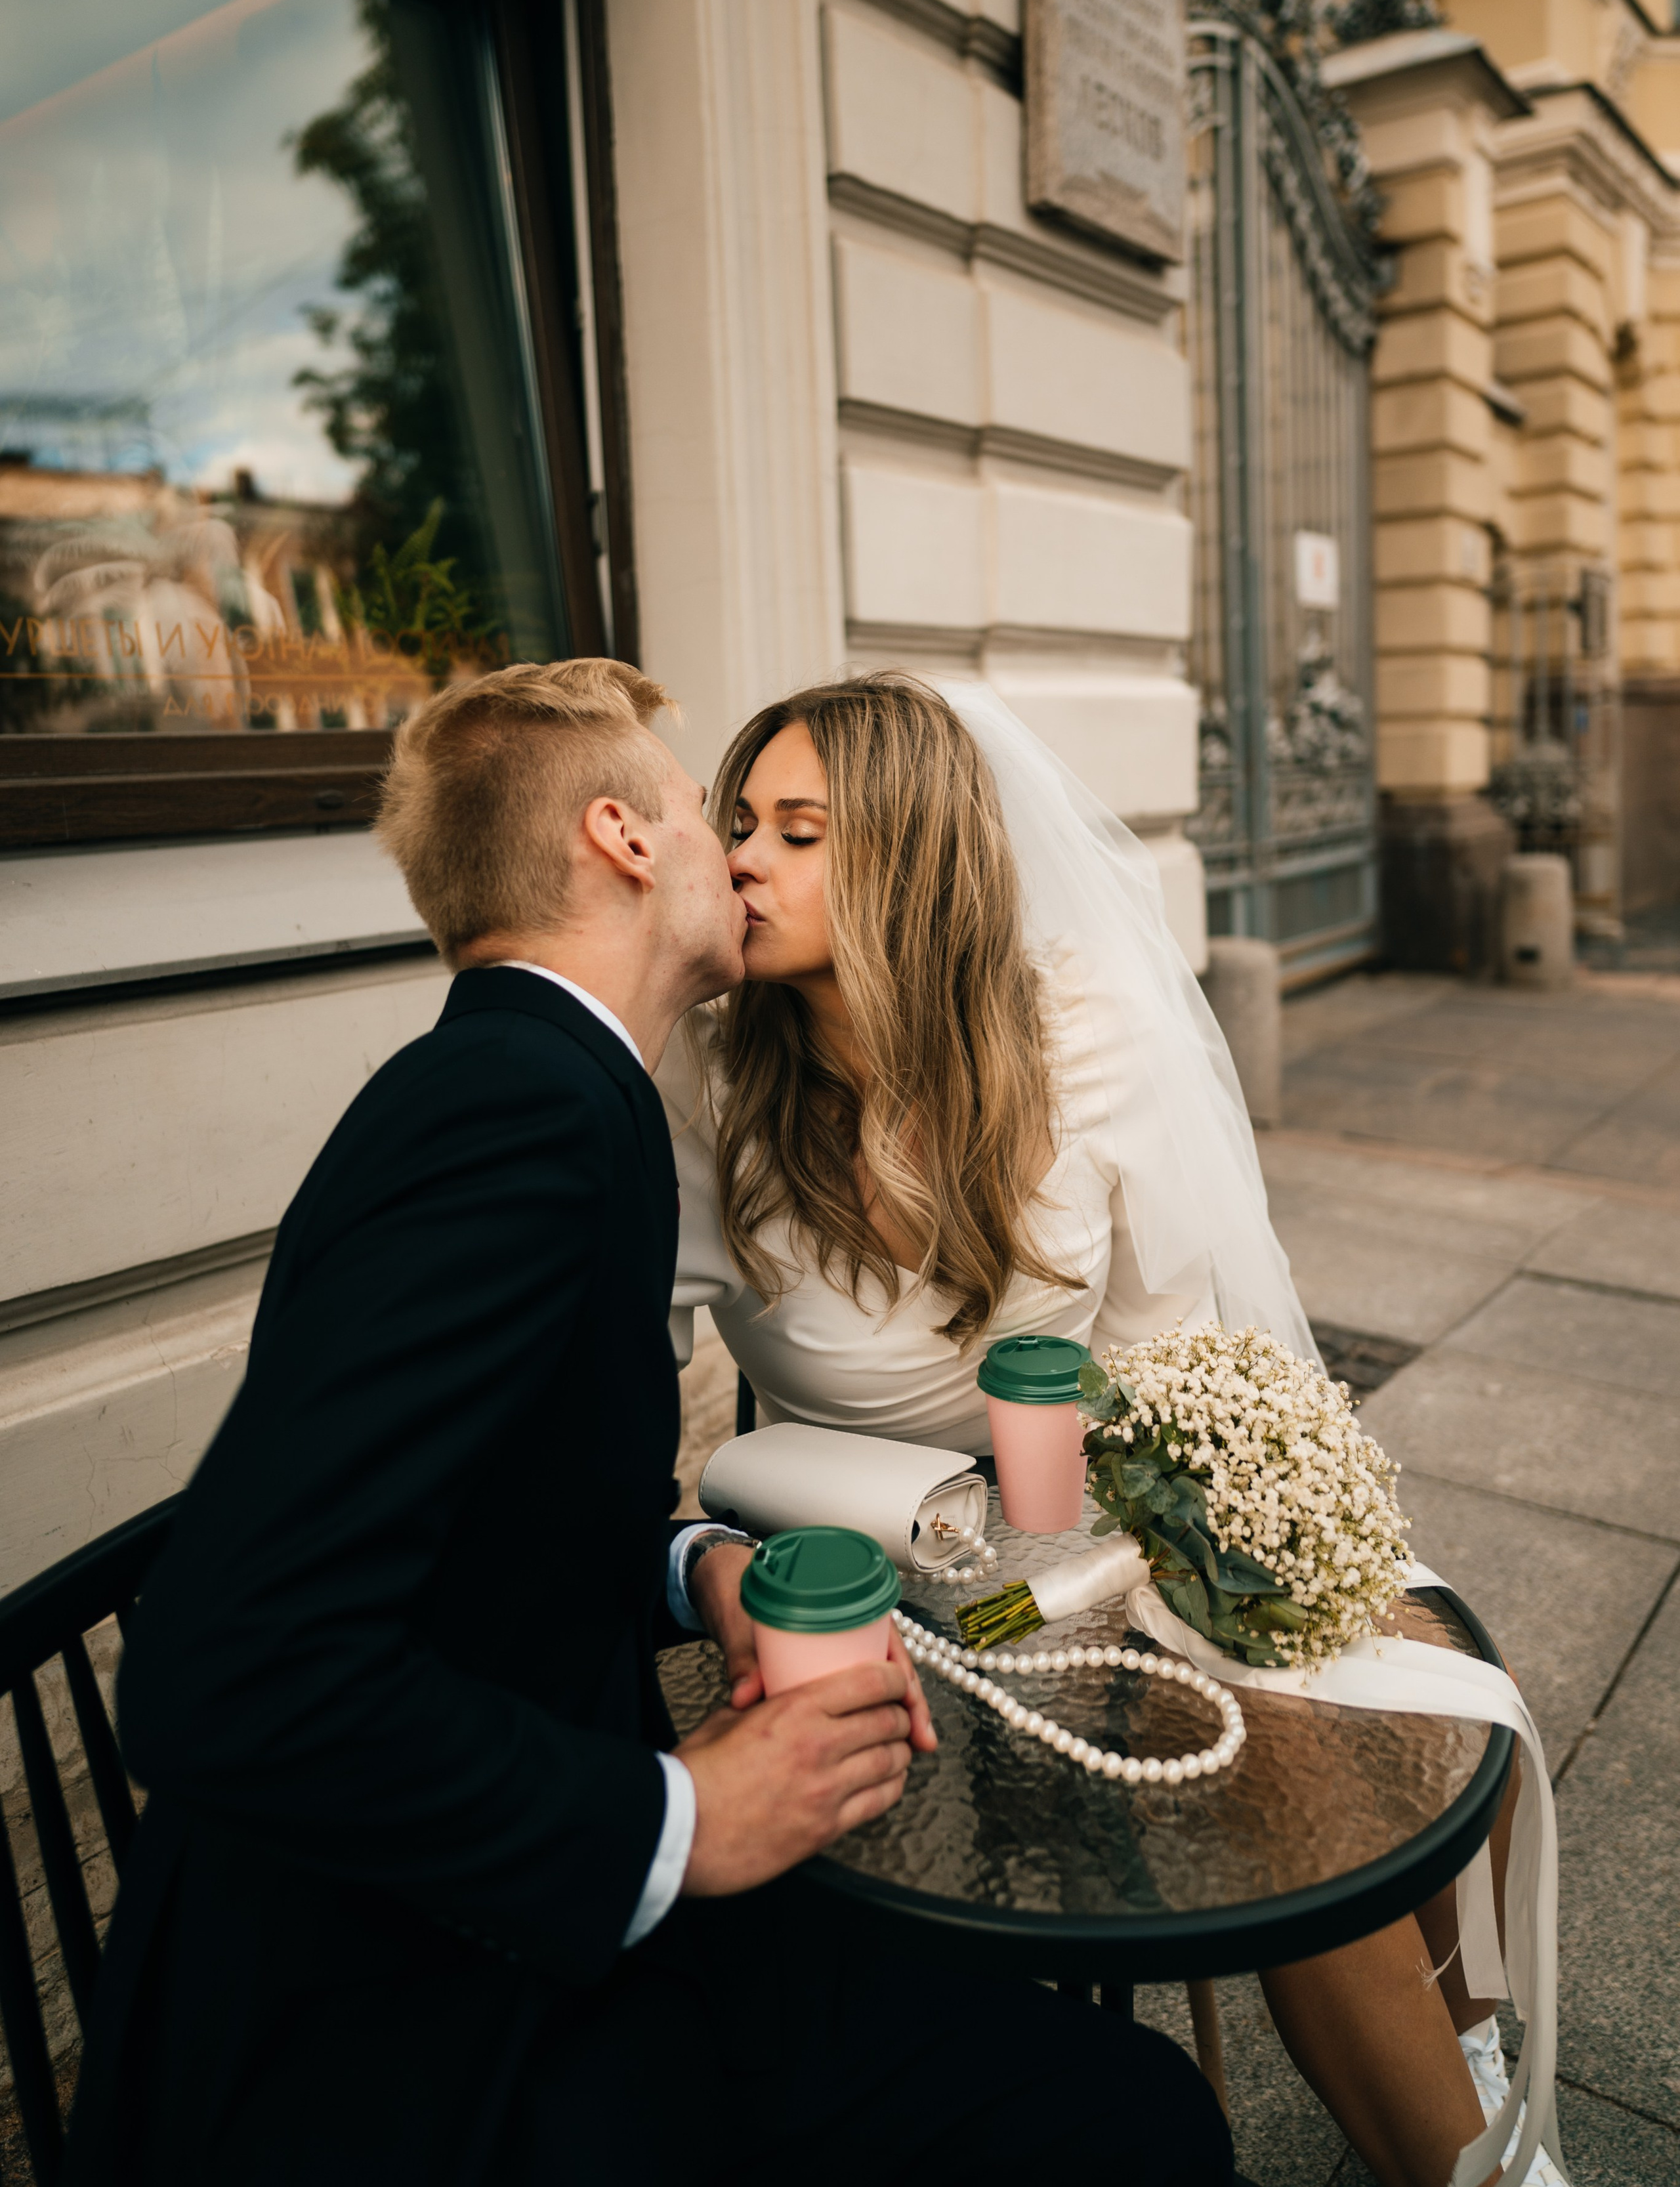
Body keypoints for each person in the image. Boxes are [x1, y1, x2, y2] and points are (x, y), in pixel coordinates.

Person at [64, 658, 1245, 2187]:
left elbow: (502, 1499)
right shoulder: (514, 1113)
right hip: (395, 2022)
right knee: (1129, 2126)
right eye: (707, 810)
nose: (734, 852)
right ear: (624, 839)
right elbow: (216, 1669)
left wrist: (695, 1567)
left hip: (502, 1912)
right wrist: (675, 1814)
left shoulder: (565, 1090)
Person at [662, 670, 1540, 2187]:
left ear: (908, 858)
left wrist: (1189, 1565)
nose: (740, 856)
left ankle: (1475, 2145)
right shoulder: (705, 1085)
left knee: (1363, 1724)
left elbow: (1184, 1362)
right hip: (867, 1587)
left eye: (795, 830)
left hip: (1088, 1538)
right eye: (736, 821)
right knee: (1291, 1766)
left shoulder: (1076, 1033)